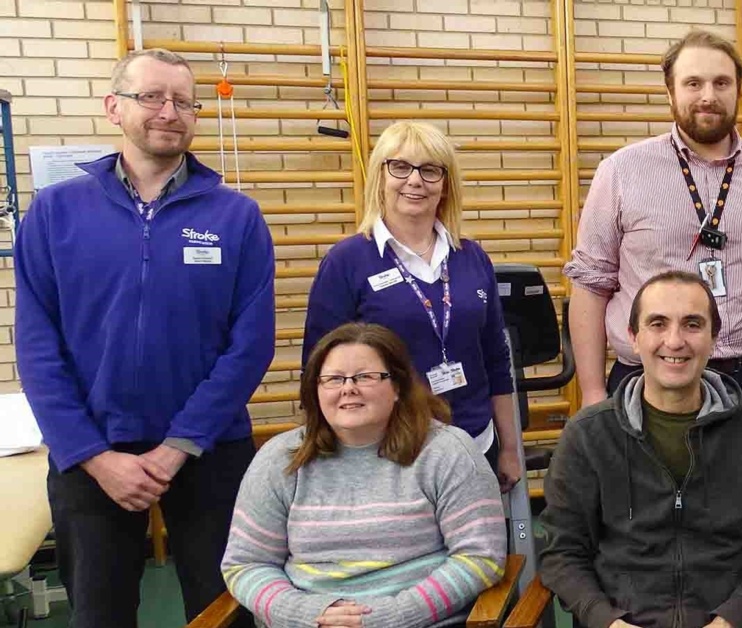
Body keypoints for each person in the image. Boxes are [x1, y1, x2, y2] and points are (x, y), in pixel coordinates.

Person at [14, 48, 274, 627]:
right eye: (151, 96)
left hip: (207, 450)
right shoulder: (55, 213)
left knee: (225, 610)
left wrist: (178, 445)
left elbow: (250, 346)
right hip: (91, 452)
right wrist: (92, 455)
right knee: (99, 614)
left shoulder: (236, 216)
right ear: (114, 107)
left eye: (183, 101)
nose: (169, 111)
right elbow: (36, 347)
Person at [563, 29, 742, 449]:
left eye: (721, 83)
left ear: (739, 89)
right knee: (644, 513)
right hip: (647, 379)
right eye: (693, 83)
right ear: (670, 92)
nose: (708, 95)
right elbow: (591, 284)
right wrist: (593, 392)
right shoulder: (621, 172)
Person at [538, 271, 742, 628]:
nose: (674, 341)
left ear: (713, 338)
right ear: (634, 338)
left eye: (692, 324)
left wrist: (734, 616)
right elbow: (563, 553)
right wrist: (605, 620)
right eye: (658, 324)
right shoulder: (588, 436)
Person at [222, 323, 508, 627]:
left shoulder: (448, 452)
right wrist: (306, 613)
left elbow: (480, 556)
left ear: (397, 386)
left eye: (365, 377)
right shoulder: (279, 458)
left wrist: (392, 616)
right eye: (333, 379)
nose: (348, 388)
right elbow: (247, 564)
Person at [304, 121, 522, 492]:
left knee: (476, 550)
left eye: (430, 169)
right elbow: (319, 372)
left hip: (473, 443)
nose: (415, 181)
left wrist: (511, 447)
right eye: (400, 167)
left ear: (445, 184)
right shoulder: (348, 261)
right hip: (386, 452)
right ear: (380, 177)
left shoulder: (472, 258)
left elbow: (496, 361)